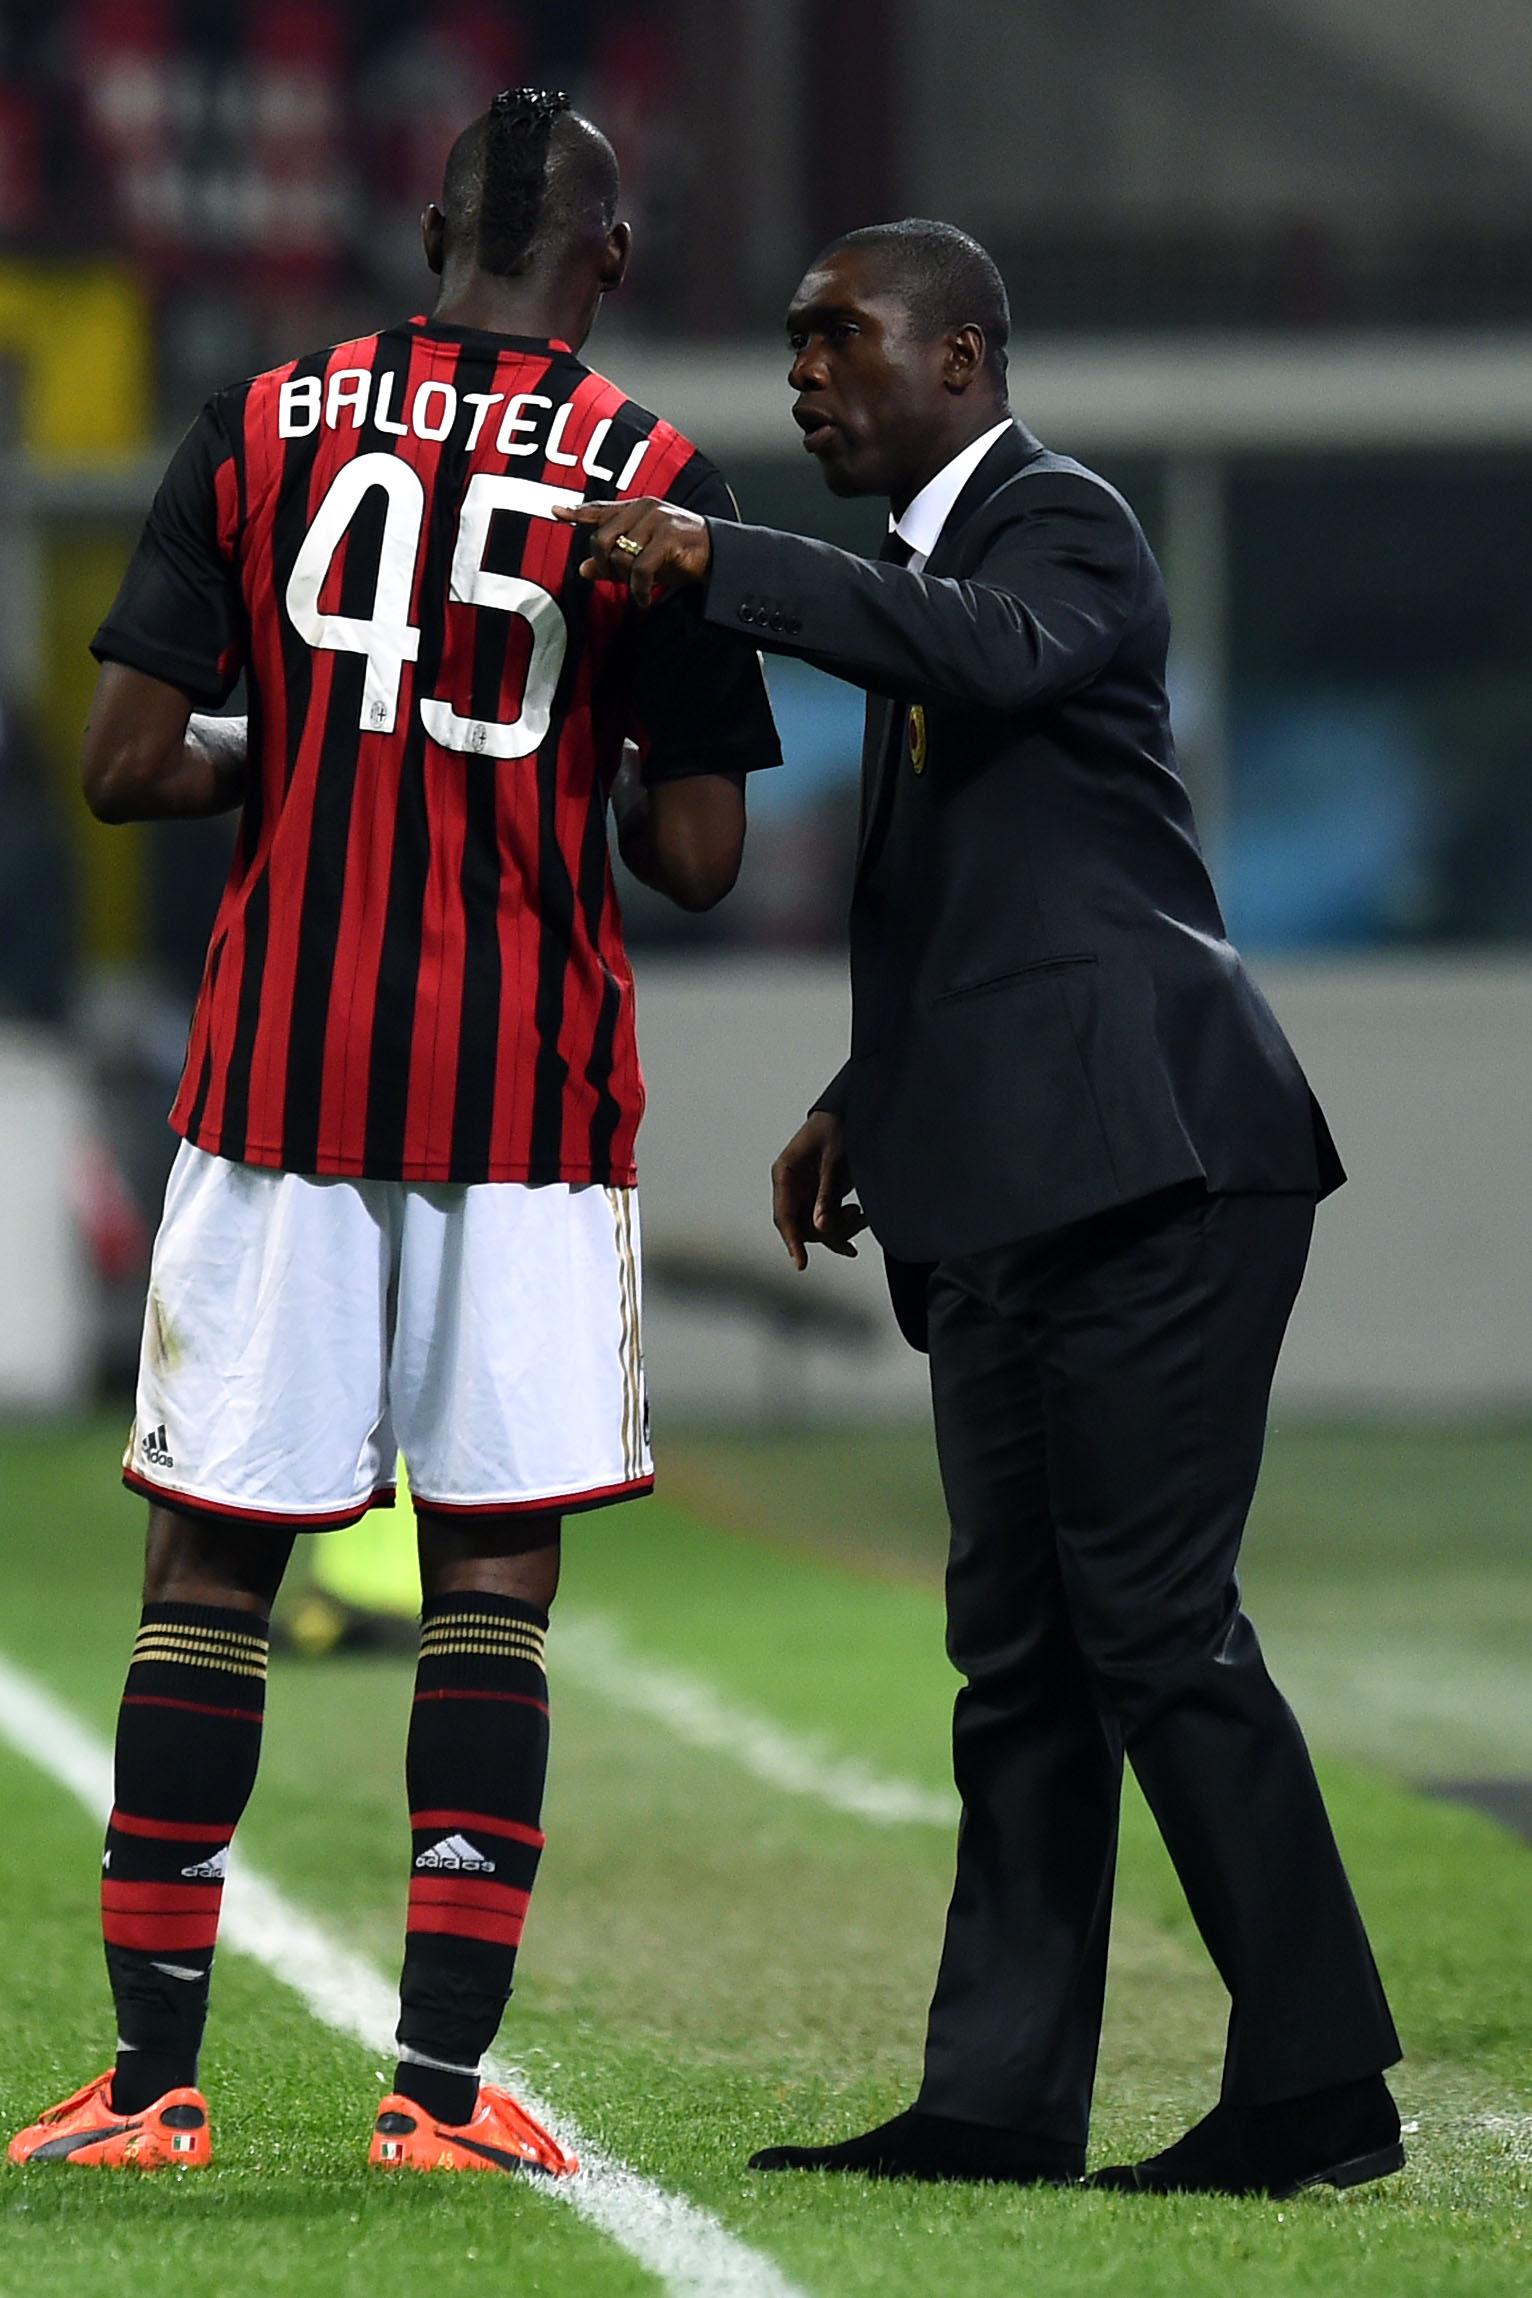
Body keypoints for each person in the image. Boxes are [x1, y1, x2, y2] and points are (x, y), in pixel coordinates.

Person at [560, 218, 1403, 2199]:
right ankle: (996, 2103)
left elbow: (995, 660)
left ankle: (1321, 2093)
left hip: (1159, 1169)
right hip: (1021, 1177)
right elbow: (1029, 891)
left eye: (835, 338)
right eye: (788, 345)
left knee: (1152, 1628)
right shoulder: (942, 576)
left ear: (958, 359)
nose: (800, 376)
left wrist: (721, 563)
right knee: (1017, 1651)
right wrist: (866, 1095)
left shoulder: (1057, 526)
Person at [9, 91, 779, 2178]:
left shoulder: (263, 419)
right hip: (524, 1092)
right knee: (485, 1575)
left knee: (211, 1555)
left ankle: (150, 2081)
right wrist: (575, 755)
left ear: (429, 228)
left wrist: (312, 741)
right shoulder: (657, 483)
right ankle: (435, 2101)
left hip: (281, 1064)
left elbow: (123, 764)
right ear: (604, 265)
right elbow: (698, 854)